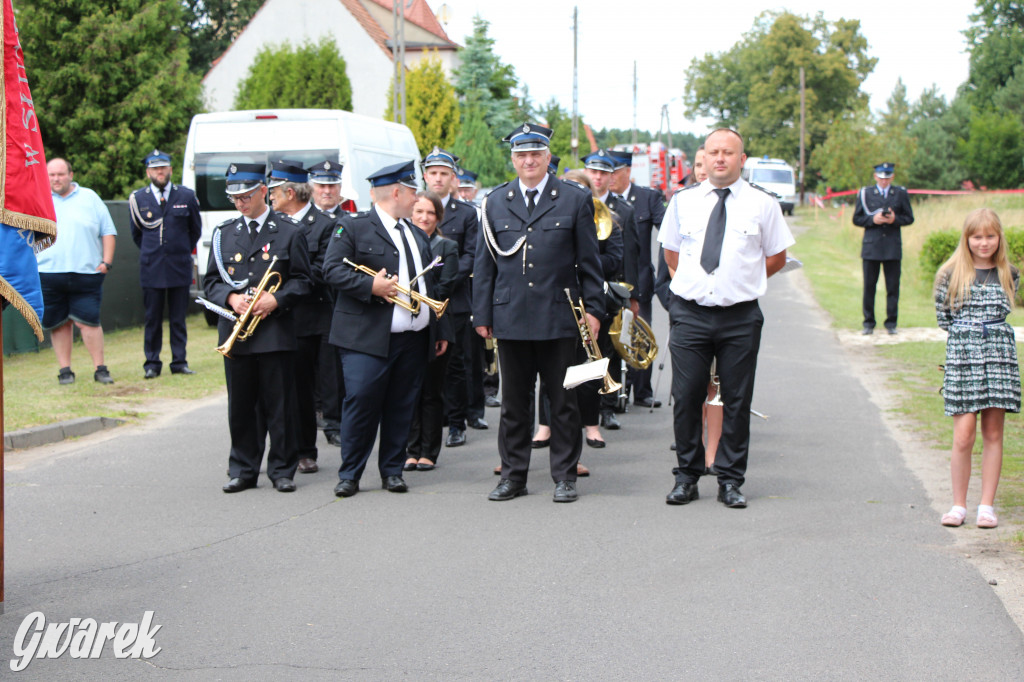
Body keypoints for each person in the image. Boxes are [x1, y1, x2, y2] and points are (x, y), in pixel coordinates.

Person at [658, 128, 794, 509]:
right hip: (690, 313)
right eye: (714, 152)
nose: (720, 158)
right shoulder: (683, 201)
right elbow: (671, 253)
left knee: (736, 399)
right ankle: (686, 476)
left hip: (740, 316)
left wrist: (741, 281)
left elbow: (777, 256)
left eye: (728, 153)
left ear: (741, 159)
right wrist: (698, 285)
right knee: (686, 397)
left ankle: (731, 480)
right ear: (705, 156)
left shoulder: (762, 203)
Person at [473, 122, 604, 503]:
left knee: (563, 401)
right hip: (510, 317)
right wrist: (482, 314)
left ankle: (565, 476)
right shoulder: (495, 202)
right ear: (513, 159)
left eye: (535, 154)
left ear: (548, 157)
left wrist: (593, 311)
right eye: (521, 155)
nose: (528, 161)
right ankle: (513, 476)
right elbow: (485, 266)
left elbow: (589, 262)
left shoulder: (574, 199)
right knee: (514, 403)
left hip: (560, 316)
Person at [322, 160, 447, 498]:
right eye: (411, 191)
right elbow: (331, 270)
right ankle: (350, 474)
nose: (416, 198)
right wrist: (370, 287)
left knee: (401, 405)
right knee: (361, 403)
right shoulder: (353, 227)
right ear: (396, 192)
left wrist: (438, 331)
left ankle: (392, 471)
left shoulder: (414, 233)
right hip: (367, 339)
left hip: (413, 338)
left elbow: (429, 287)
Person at [203, 162, 312, 493]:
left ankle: (281, 469)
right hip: (237, 333)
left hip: (275, 332)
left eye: (246, 195)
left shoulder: (290, 231)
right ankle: (243, 469)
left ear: (264, 191)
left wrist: (276, 300)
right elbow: (210, 283)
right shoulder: (223, 233)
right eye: (235, 197)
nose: (240, 203)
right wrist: (232, 297)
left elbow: (305, 281)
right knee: (241, 406)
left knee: (279, 405)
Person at [934, 208, 1020, 529]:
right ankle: (958, 505)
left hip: (999, 356)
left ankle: (987, 506)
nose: (984, 243)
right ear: (966, 238)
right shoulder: (949, 273)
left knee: (994, 432)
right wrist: (969, 337)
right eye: (977, 236)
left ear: (999, 238)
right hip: (963, 356)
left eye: (990, 236)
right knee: (964, 435)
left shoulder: (1010, 273)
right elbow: (944, 319)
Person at [267, 160, 337, 474]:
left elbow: (325, 269)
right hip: (279, 317)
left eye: (273, 191)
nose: (269, 197)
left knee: (309, 389)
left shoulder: (324, 224)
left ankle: (306, 451)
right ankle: (282, 450)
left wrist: (292, 276)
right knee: (285, 389)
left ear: (291, 192)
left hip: (314, 318)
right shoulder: (271, 224)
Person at [38, 158, 117, 385]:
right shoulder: (38, 199)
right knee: (59, 323)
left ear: (71, 174)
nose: (56, 179)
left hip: (87, 274)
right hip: (49, 273)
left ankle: (100, 369)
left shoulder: (90, 197)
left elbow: (108, 231)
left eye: (61, 174)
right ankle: (65, 371)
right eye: (51, 175)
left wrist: (106, 262)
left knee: (89, 322)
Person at [421, 148, 481, 447]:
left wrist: (442, 282)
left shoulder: (467, 213)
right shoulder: (414, 209)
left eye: (444, 173)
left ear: (453, 178)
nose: (438, 179)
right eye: (433, 173)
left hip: (453, 300)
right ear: (424, 176)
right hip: (416, 301)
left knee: (455, 366)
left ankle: (457, 422)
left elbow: (472, 256)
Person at [128, 149, 202, 379]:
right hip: (152, 268)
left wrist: (177, 250)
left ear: (170, 169)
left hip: (179, 266)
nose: (160, 172)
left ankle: (179, 362)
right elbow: (137, 235)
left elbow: (195, 231)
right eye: (155, 168)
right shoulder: (139, 198)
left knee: (178, 318)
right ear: (148, 171)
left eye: (164, 167)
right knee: (153, 319)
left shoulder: (186, 196)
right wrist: (156, 253)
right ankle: (152, 363)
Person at [585, 149, 639, 430]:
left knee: (610, 349)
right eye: (593, 171)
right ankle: (583, 407)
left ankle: (607, 407)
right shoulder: (575, 202)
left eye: (603, 172)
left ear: (611, 176)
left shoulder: (624, 211)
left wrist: (633, 295)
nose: (598, 177)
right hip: (581, 290)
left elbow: (631, 256)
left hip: (610, 288)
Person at [608, 149, 666, 408]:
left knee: (640, 336)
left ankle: (641, 392)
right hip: (609, 280)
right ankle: (612, 394)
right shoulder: (598, 201)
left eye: (614, 172)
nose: (609, 178)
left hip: (639, 280)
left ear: (627, 171)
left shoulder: (647, 198)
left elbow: (667, 233)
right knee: (611, 339)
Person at [406, 191, 458, 471]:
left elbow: (445, 288)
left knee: (431, 391)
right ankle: (410, 449)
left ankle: (429, 451)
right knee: (407, 392)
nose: (424, 218)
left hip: (436, 325)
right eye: (419, 212)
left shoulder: (447, 247)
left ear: (438, 217)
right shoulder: (401, 243)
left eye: (430, 213)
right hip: (404, 324)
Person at [853, 161, 915, 335]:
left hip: (892, 248)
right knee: (869, 287)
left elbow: (909, 218)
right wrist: (873, 220)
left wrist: (894, 219)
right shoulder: (866, 193)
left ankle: (891, 323)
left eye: (887, 177)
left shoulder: (900, 193)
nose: (884, 180)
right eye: (881, 177)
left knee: (893, 287)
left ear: (892, 177)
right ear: (875, 177)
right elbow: (857, 219)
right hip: (872, 247)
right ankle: (868, 323)